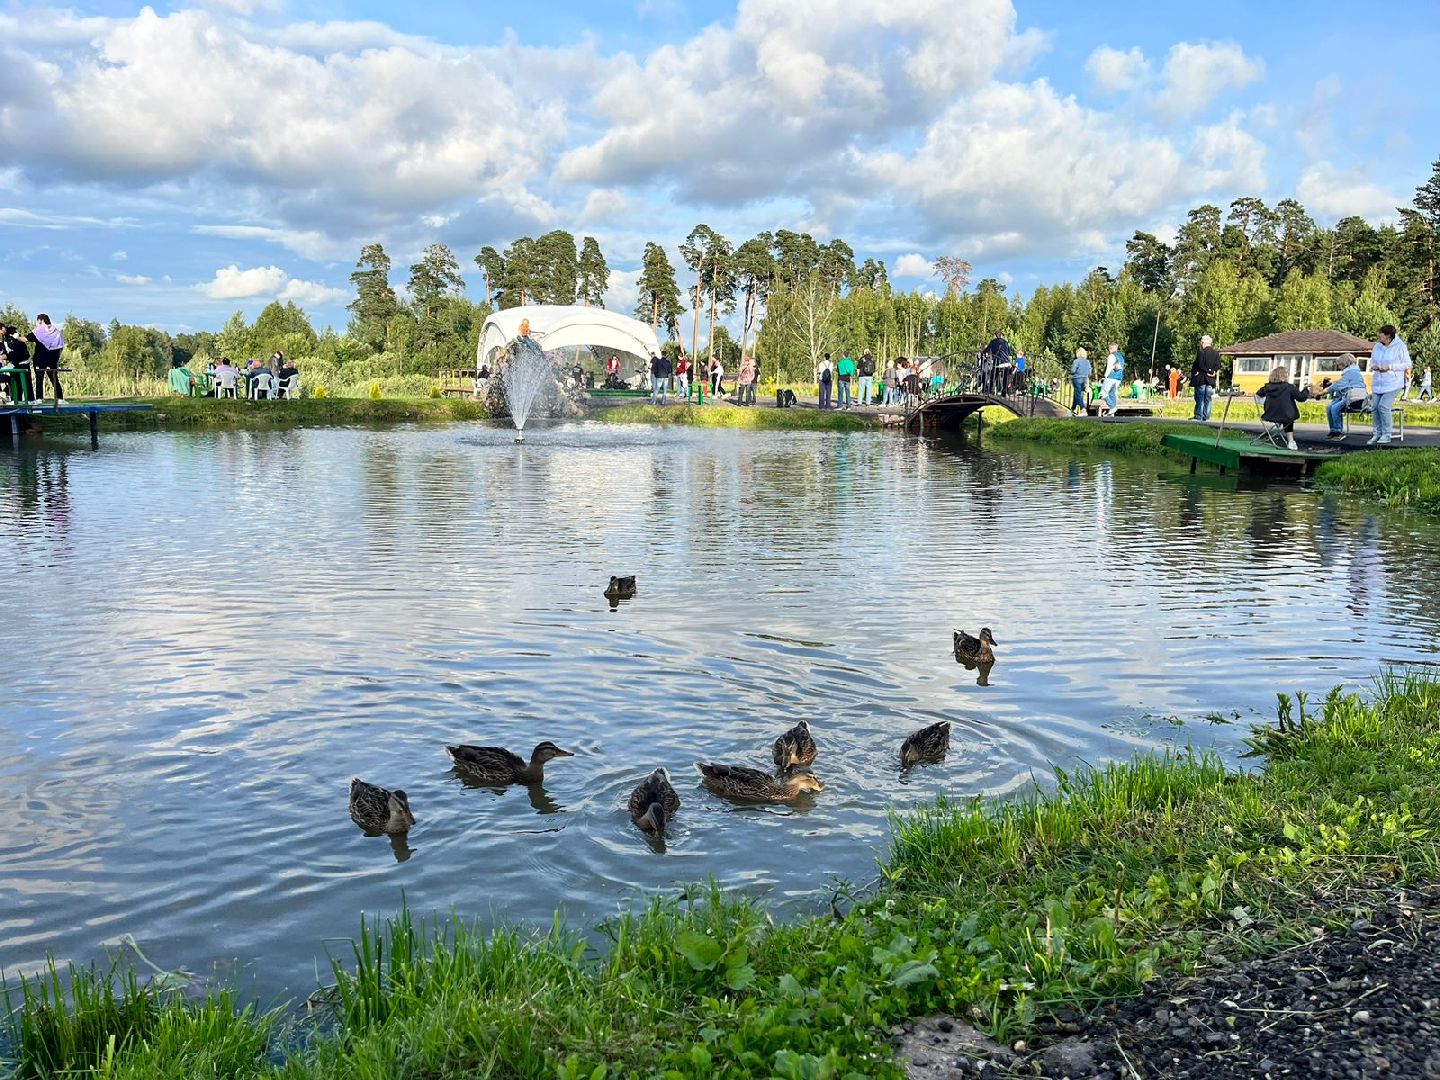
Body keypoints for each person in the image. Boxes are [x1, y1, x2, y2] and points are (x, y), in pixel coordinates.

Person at [1368, 324, 1412, 445]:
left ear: (1388, 336)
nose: (1379, 336)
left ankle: (1386, 434)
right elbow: (1372, 361)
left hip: (1393, 383)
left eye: (1381, 334)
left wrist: (1390, 367)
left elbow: (1407, 364)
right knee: (1375, 407)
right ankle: (1376, 434)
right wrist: (1374, 366)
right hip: (1378, 382)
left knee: (1383, 406)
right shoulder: (1377, 346)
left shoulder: (1400, 346)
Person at [1256, 366, 1312, 450]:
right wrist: (1306, 389)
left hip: (1270, 414)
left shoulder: (1266, 387)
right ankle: (1291, 441)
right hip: (1286, 415)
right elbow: (1301, 398)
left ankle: (1278, 423)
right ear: (1284, 376)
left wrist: (1263, 403)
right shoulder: (1289, 387)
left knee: (1285, 413)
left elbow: (1257, 395)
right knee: (1288, 416)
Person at [1318, 353, 1367, 440]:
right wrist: (1331, 385)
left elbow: (1339, 385)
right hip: (1347, 395)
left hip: (1354, 397)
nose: (1338, 367)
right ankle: (1333, 430)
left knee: (1335, 408)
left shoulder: (1351, 372)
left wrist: (1325, 390)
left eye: (1339, 365)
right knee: (1329, 407)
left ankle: (1338, 431)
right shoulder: (1350, 372)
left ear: (1345, 363)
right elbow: (1343, 383)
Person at [27, 314, 66, 405]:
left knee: (39, 379)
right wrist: (56, 358)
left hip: (40, 359)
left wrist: (16, 338)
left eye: (37, 321)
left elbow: (27, 338)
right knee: (54, 379)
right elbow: (61, 346)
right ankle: (60, 398)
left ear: (41, 321)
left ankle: (39, 398)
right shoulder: (56, 331)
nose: (37, 323)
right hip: (52, 360)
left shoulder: (39, 330)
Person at [1191, 335, 1222, 421]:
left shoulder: (1201, 352)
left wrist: (1207, 371)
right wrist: (1213, 371)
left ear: (1203, 343)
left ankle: (1199, 415)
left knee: (1200, 397)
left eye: (1201, 342)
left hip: (1201, 378)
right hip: (1211, 378)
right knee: (1208, 398)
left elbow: (1200, 365)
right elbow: (1218, 365)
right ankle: (1206, 416)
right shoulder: (1216, 353)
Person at [1097, 343, 1124, 415]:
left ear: (1110, 348)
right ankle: (1112, 413)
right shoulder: (1121, 356)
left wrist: (1105, 376)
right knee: (1112, 394)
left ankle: (1112, 407)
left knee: (1103, 393)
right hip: (1119, 377)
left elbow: (1109, 367)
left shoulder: (1111, 356)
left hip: (1111, 377)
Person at [1068, 348, 1091, 414]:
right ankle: (1072, 409)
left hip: (1077, 379)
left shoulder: (1076, 361)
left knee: (1077, 394)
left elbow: (1072, 371)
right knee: (1078, 393)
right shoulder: (1087, 361)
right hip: (1085, 379)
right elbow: (1089, 371)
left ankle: (1082, 408)